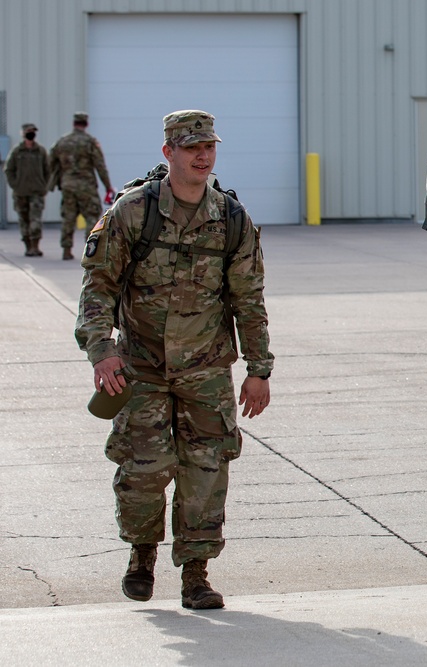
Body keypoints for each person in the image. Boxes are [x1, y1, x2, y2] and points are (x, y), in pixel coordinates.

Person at [75, 110, 274, 610]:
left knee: (206, 471)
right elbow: (98, 286)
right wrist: (101, 352)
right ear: (168, 153)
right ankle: (142, 553)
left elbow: (249, 299)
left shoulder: (231, 219)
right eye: (191, 148)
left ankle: (196, 575)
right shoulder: (132, 212)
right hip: (140, 365)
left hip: (206, 369)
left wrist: (258, 368)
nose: (202, 155)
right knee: (144, 470)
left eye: (208, 147)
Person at [48, 112, 114, 260]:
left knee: (68, 217)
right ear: (86, 124)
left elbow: (51, 162)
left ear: (74, 123)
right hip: (87, 186)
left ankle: (66, 250)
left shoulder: (62, 142)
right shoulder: (90, 142)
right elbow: (100, 166)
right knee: (91, 217)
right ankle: (90, 251)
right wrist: (108, 186)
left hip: (68, 185)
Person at [3, 123, 50, 256]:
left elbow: (48, 170)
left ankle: (35, 246)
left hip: (37, 192)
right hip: (20, 192)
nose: (31, 133)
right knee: (24, 220)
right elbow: (8, 169)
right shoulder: (17, 151)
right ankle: (28, 246)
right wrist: (15, 185)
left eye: (33, 131)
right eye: (29, 131)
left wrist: (44, 186)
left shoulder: (40, 151)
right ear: (23, 133)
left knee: (35, 219)